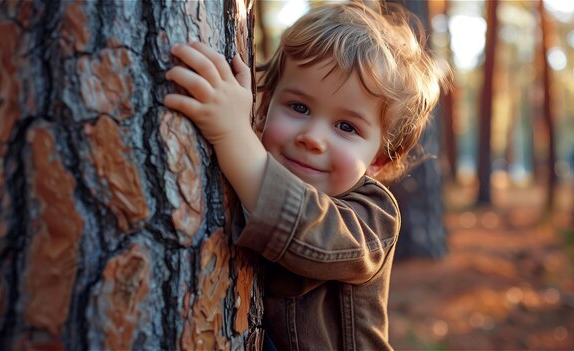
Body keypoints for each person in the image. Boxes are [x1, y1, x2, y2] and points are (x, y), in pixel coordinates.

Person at [164, 1, 445, 349]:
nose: (312, 138)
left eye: (346, 127)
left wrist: (231, 135)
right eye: (299, 107)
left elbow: (310, 229)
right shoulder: (251, 170)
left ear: (379, 159)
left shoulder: (375, 218)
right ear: (264, 107)